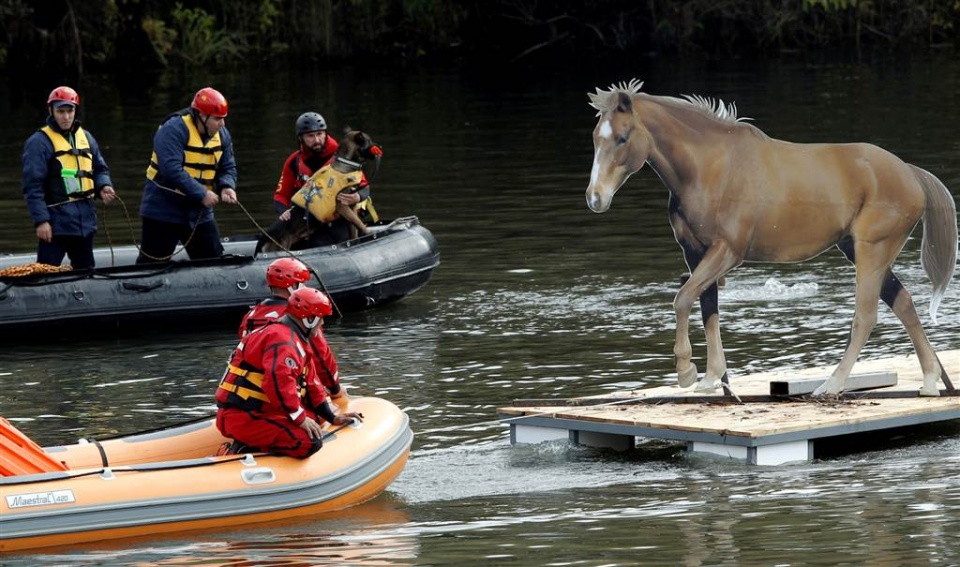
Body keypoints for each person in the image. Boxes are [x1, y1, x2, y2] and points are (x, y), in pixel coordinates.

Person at [216, 287, 362, 458]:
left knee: (315, 419)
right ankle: (241, 450)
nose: (322, 324)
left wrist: (332, 418)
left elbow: (312, 384)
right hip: (244, 416)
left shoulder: (295, 339)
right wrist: (299, 418)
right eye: (320, 318)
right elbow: (278, 383)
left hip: (261, 410)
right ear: (308, 319)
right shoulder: (282, 340)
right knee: (308, 442)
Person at [136, 87, 238, 264]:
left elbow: (227, 167)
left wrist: (226, 186)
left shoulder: (222, 135)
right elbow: (171, 170)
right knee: (151, 265)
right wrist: (202, 193)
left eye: (223, 119)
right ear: (201, 115)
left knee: (213, 262)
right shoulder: (173, 129)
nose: (222, 124)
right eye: (217, 119)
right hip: (163, 210)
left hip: (199, 213)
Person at [21, 86, 117, 269]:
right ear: (51, 111)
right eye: (60, 111)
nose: (66, 116)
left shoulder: (86, 137)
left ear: (75, 110)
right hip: (55, 226)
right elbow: (32, 186)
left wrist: (103, 185)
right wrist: (41, 221)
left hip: (84, 223)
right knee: (46, 273)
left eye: (70, 110)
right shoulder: (38, 143)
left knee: (86, 271)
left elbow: (100, 169)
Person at [238, 257, 349, 409]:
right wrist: (335, 389)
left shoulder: (251, 315)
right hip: (286, 392)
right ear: (293, 286)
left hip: (249, 393)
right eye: (302, 283)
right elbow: (320, 356)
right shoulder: (297, 316)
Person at [272, 112, 374, 246]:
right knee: (284, 236)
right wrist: (284, 211)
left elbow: (364, 185)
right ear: (301, 138)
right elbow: (280, 195)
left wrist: (358, 196)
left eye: (320, 134)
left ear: (326, 134)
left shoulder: (344, 157)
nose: (317, 140)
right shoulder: (293, 162)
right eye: (310, 136)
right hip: (310, 219)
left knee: (320, 242)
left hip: (342, 217)